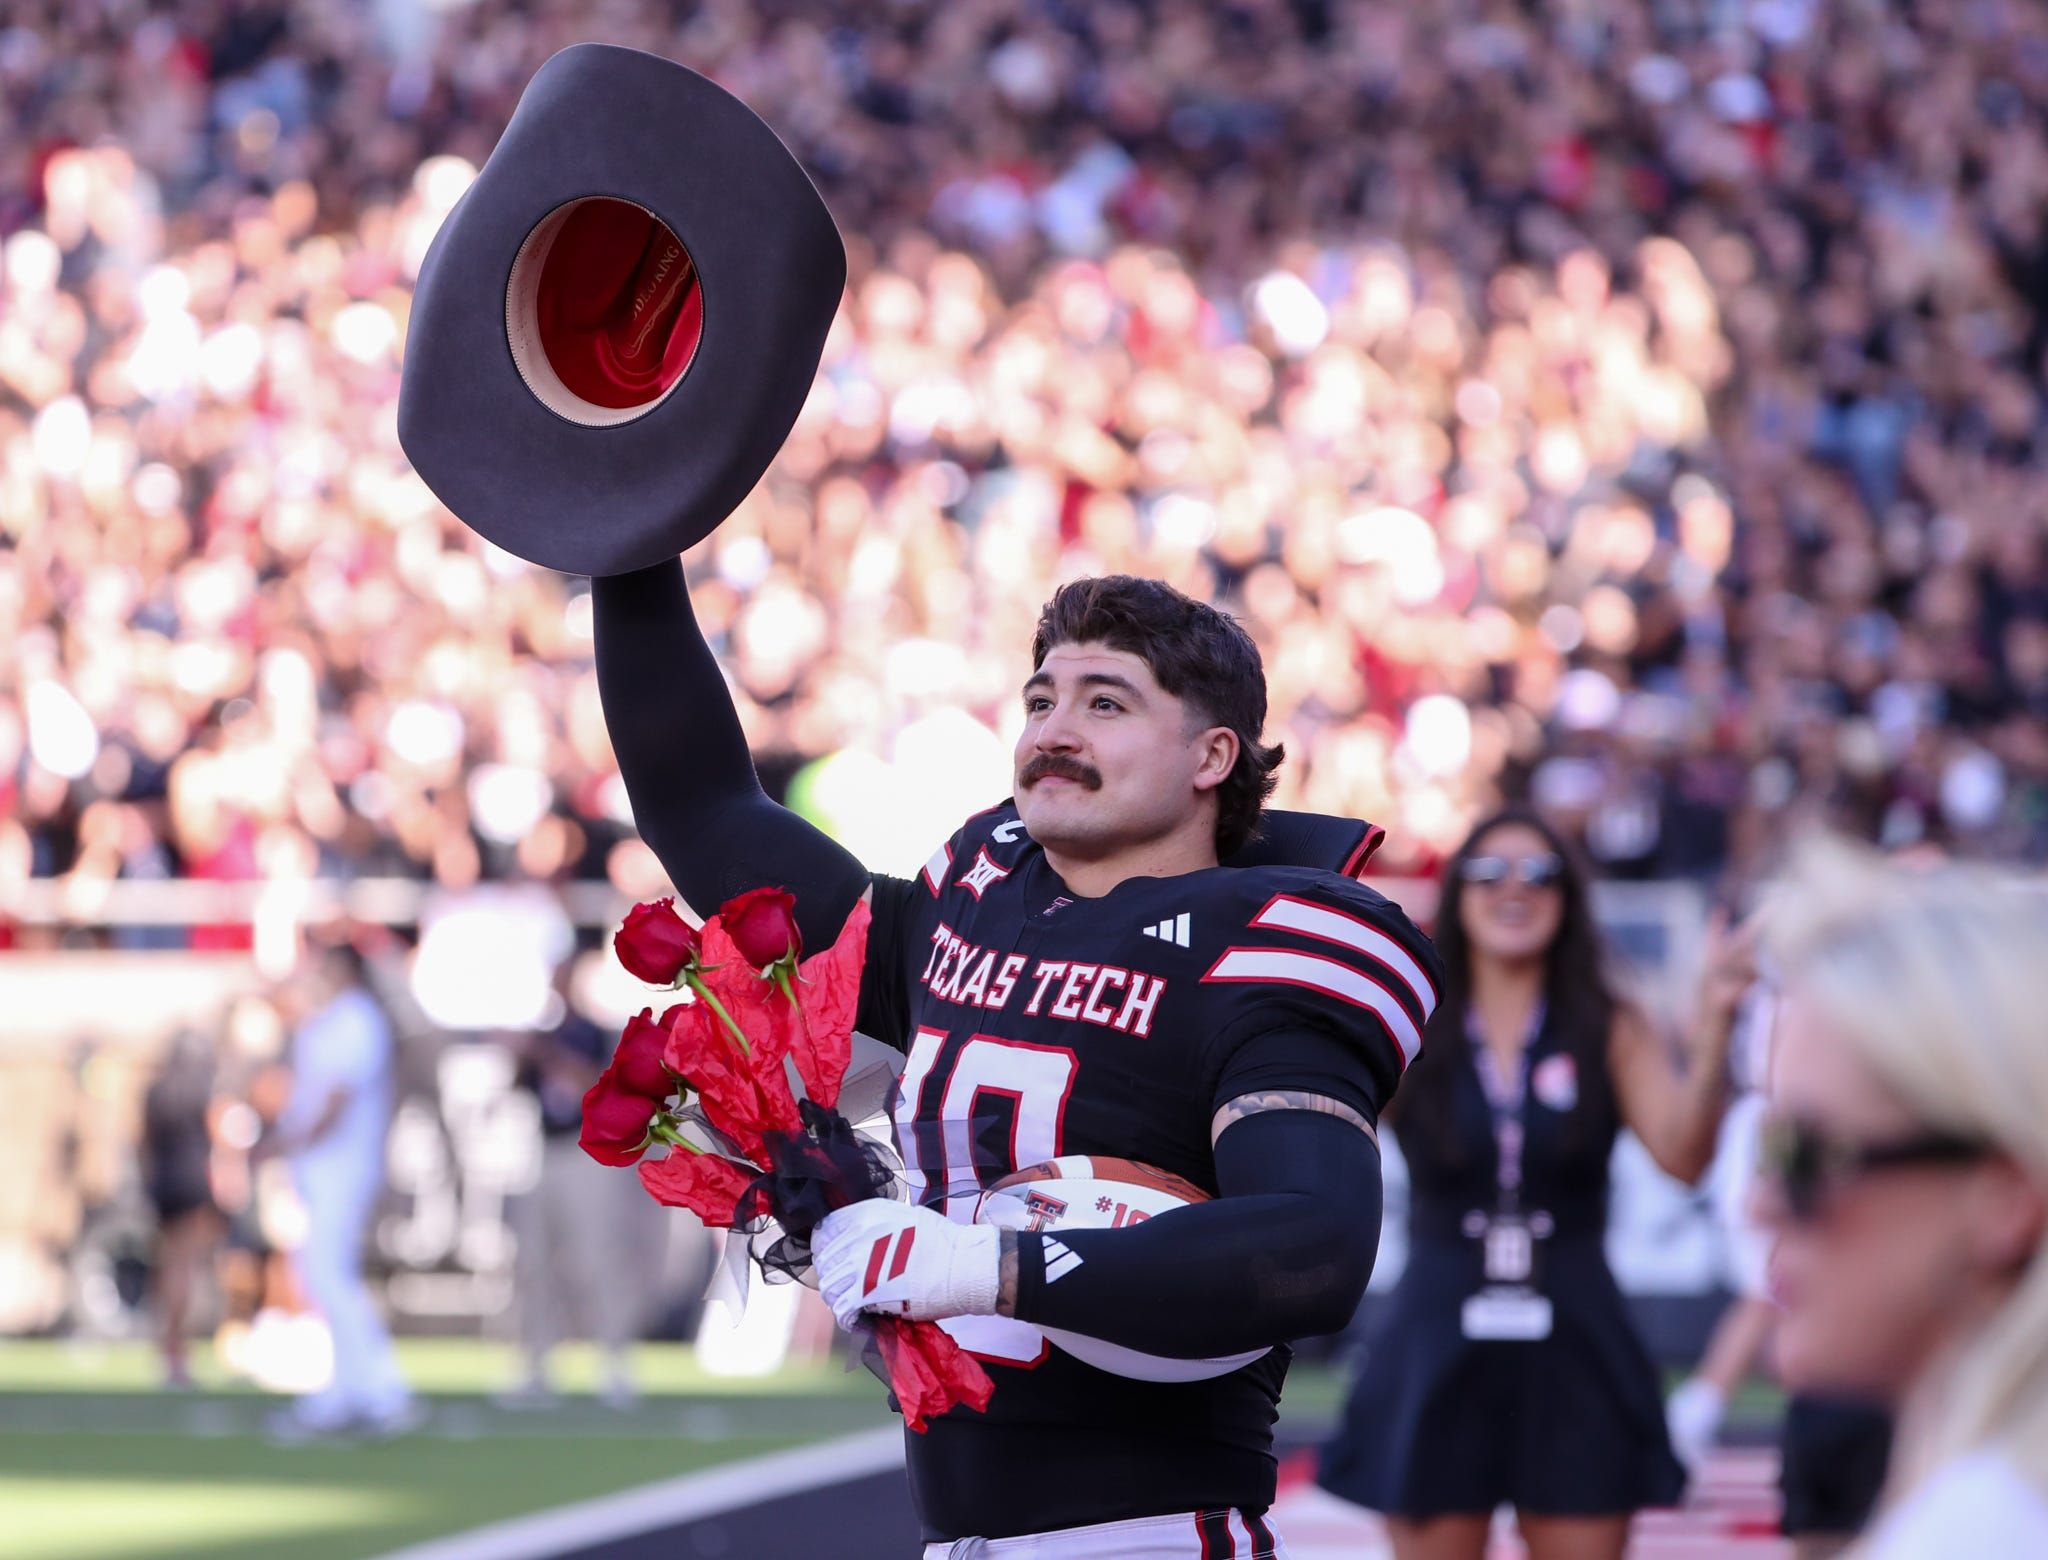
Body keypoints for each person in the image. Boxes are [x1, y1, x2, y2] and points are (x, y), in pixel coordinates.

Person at [594, 560, 1443, 1556]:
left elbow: (1315, 1248)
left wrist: (984, 1264)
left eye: (1104, 702)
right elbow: (702, 813)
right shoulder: (970, 908)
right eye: (1040, 698)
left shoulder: (1260, 942)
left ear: (1211, 755)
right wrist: (629, 543)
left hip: (1148, 1534)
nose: (1054, 728)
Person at [1318, 810, 1748, 1560]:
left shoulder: (1611, 1021)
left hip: (1576, 1327)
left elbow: (1684, 1157)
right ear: (1457, 895)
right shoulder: (1413, 1019)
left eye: (1540, 875)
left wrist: (1713, 1027)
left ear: (1569, 897)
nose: (1515, 891)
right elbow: (1330, 1122)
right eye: (1489, 874)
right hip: (1437, 1329)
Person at [1754, 839, 2048, 1557]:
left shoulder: (1984, 1528)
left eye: (1807, 1157)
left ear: (2006, 1198)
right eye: (1769, 1149)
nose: (1758, 1205)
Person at [261, 924, 418, 1441]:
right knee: (320, 1277)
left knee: (328, 1275)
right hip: (319, 1167)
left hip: (342, 1166)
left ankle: (381, 1388)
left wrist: (290, 1141)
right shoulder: (325, 1021)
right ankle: (345, 1390)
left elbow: (335, 1101)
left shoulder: (357, 1020)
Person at [499, 950, 642, 1408]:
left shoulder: (596, 1034)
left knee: (596, 1260)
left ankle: (614, 1361)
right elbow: (517, 1087)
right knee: (535, 1262)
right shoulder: (544, 1035)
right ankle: (537, 1363)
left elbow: (591, 1082)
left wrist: (544, 1051)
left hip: (587, 1157)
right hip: (545, 1151)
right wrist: (520, 1054)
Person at [142, 1024, 225, 1389]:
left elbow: (142, 1141)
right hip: (192, 1182)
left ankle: (167, 1346)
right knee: (185, 1268)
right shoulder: (203, 1091)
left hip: (163, 1184)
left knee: (169, 1263)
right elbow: (221, 1136)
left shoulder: (156, 1091)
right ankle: (177, 1349)